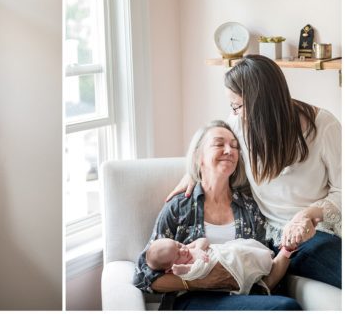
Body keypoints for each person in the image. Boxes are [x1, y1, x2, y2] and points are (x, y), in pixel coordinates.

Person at [167, 55, 341, 291]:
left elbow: (342, 190)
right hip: (271, 236)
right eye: (232, 107)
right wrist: (194, 173)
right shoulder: (239, 125)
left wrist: (309, 215)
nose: (235, 113)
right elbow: (212, 146)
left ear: (262, 102)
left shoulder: (323, 125)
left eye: (238, 106)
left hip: (317, 231)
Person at [134, 121, 300, 311]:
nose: (229, 150)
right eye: (219, 144)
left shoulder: (249, 208)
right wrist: (202, 281)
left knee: (285, 306)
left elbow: (264, 273)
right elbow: (143, 275)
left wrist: (287, 250)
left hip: (243, 297)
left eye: (234, 146)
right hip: (193, 299)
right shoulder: (179, 208)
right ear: (199, 157)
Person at [145, 235, 291, 296]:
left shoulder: (244, 200)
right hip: (203, 296)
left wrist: (197, 249)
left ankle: (269, 266)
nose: (183, 250)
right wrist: (184, 271)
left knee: (238, 250)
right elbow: (143, 276)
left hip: (224, 253)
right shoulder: (178, 206)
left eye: (178, 245)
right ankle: (261, 285)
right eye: (178, 255)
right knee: (284, 306)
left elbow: (203, 241)